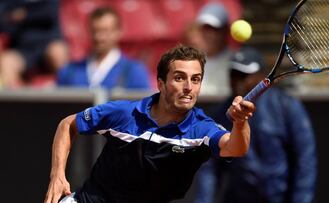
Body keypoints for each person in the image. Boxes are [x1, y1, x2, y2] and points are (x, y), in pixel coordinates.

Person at [44, 45, 255, 203]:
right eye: (180, 78)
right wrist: (57, 176)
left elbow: (235, 148)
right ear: (161, 84)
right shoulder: (123, 113)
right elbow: (68, 123)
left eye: (196, 79)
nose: (189, 87)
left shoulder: (201, 128)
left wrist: (240, 122)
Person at [196, 46, 317, 203]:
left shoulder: (287, 107)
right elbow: (210, 168)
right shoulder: (219, 115)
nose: (237, 81)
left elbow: (305, 161)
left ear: (261, 77)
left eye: (244, 75)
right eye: (233, 74)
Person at [57, 7, 151, 90]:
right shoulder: (69, 71)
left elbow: (142, 108)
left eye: (105, 31)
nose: (99, 37)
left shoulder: (134, 71)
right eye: (95, 31)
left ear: (118, 32)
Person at [0, 0, 68, 86]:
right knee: (7, 61)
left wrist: (23, 15)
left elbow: (49, 13)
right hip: (23, 49)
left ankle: (64, 95)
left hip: (48, 45)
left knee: (58, 51)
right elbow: (3, 19)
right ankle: (19, 98)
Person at [194, 2, 234, 96]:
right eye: (205, 28)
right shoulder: (192, 62)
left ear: (225, 31)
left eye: (214, 29)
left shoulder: (236, 62)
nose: (208, 35)